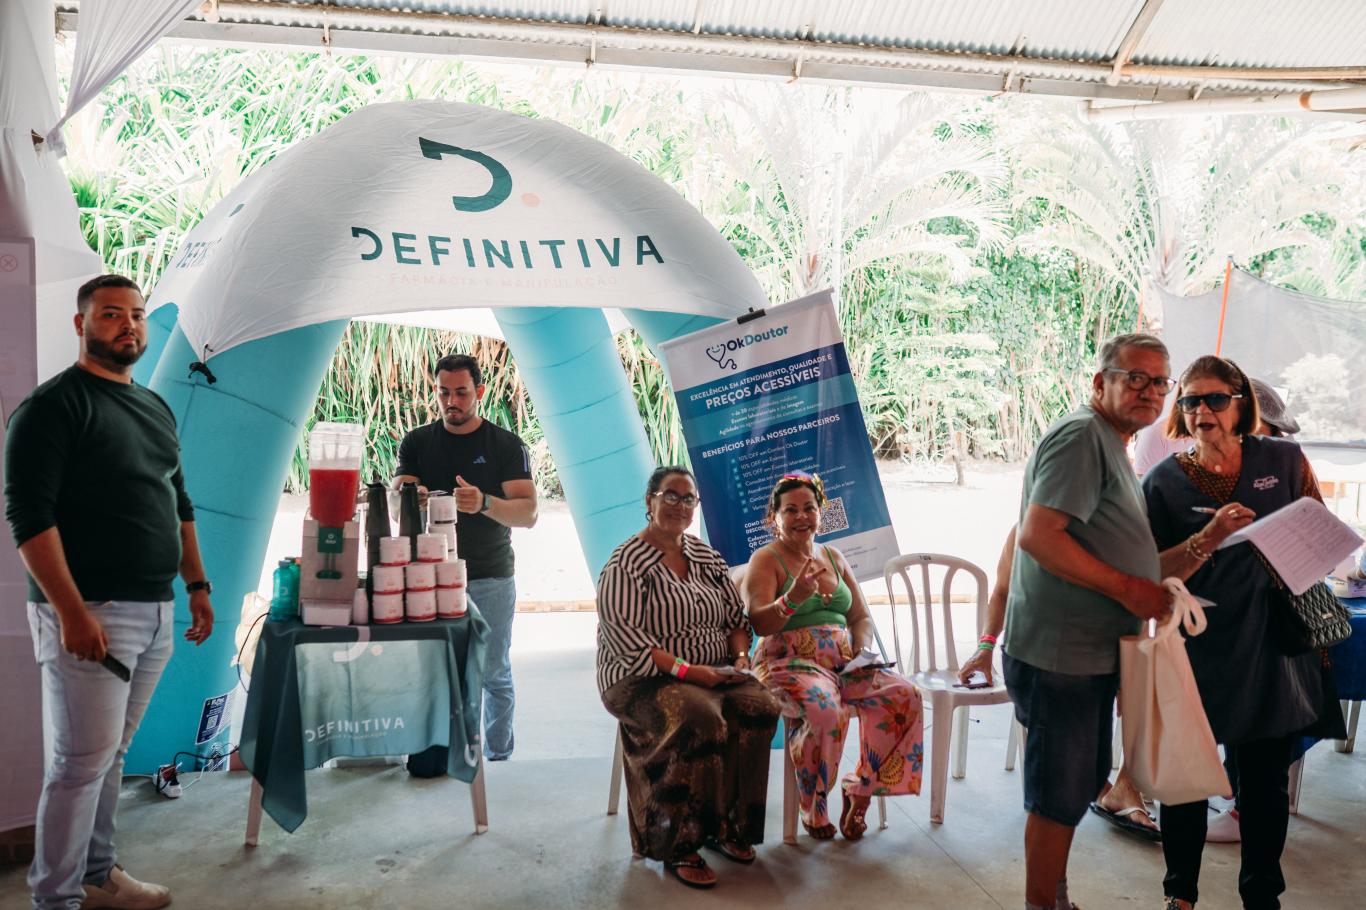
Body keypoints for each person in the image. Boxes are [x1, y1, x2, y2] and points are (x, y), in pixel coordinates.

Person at [4, 274, 214, 910]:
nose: (128, 325)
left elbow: (178, 502)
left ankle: (97, 875)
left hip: (155, 608)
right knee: (77, 766)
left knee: (109, 756)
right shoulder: (52, 408)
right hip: (90, 613)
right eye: (111, 314)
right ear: (82, 324)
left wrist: (196, 585)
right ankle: (55, 898)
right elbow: (29, 518)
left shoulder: (153, 407)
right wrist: (70, 612)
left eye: (137, 315)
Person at [1142, 356, 1340, 910]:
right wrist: (1208, 536)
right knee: (1185, 780)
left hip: (1272, 645)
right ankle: (1180, 895)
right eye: (1189, 400)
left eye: (1214, 399)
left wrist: (1295, 554)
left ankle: (1262, 896)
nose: (1201, 410)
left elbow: (1318, 531)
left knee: (1264, 784)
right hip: (1197, 645)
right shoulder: (1164, 482)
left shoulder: (1284, 459)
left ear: (1240, 403)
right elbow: (1149, 572)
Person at [1002, 333, 1174, 910]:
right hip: (1062, 656)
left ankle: (1055, 898)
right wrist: (1128, 588)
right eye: (1135, 378)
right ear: (1101, 382)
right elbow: (1038, 536)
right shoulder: (1082, 437)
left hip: (1090, 653)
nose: (1149, 391)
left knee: (1076, 785)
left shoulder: (1110, 441)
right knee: (1058, 794)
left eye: (1160, 382)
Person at [596, 466, 780, 889]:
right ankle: (676, 843)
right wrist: (691, 672)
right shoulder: (626, 564)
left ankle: (728, 827)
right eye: (670, 496)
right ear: (649, 501)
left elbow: (736, 621)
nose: (679, 505)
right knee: (698, 717)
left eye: (688, 498)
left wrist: (740, 658)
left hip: (714, 670)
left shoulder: (707, 557)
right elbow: (629, 641)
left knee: (761, 706)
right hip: (641, 677)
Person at [743, 471, 924, 841]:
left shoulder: (833, 556)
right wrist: (792, 598)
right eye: (790, 510)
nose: (801, 517)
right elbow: (758, 622)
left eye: (809, 508)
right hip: (787, 663)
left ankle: (861, 790)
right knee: (826, 711)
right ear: (774, 517)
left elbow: (860, 617)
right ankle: (815, 809)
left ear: (820, 512)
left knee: (904, 695)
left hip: (842, 664)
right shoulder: (765, 559)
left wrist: (858, 651)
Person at [959, 527, 1160, 842]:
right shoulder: (1027, 533)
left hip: (1095, 651)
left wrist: (1128, 668)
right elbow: (1001, 593)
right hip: (1040, 660)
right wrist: (985, 647)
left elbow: (1131, 607)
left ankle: (1126, 783)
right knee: (1068, 758)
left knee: (1152, 682)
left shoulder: (1110, 534)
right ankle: (1098, 785)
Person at [394, 353, 537, 761]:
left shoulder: (505, 444)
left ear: (480, 392)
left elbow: (528, 512)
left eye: (461, 393)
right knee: (434, 668)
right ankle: (441, 751)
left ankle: (498, 756)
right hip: (431, 576)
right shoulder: (417, 442)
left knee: (493, 670)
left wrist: (484, 502)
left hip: (490, 574)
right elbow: (396, 502)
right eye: (443, 392)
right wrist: (411, 498)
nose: (451, 402)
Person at [1205, 376, 1301, 845]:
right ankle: (1238, 796)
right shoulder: (1195, 471)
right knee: (1236, 723)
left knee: (1265, 738)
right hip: (1225, 621)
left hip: (1275, 621)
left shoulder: (1284, 465)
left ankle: (1247, 809)